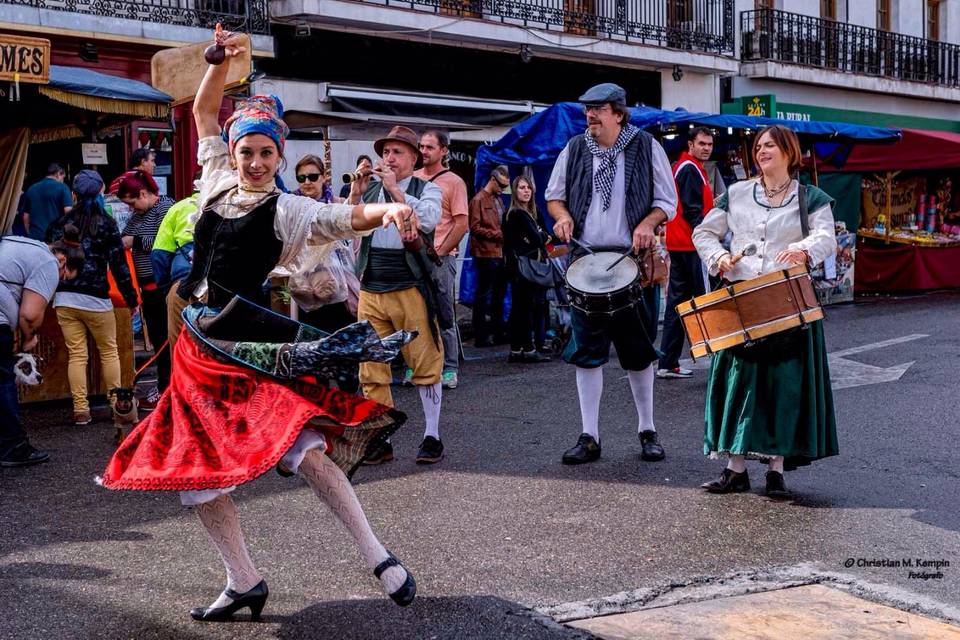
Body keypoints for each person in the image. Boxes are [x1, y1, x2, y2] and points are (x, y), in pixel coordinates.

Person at [99, 28, 420, 622]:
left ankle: (379, 557)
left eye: (265, 153)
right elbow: (200, 109)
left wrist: (391, 208)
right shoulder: (216, 177)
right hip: (196, 342)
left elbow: (345, 215)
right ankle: (242, 579)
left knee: (305, 450)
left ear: (278, 157)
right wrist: (216, 62)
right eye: (246, 150)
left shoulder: (290, 208)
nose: (253, 161)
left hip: (247, 346)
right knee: (197, 471)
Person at [692, 124, 839, 499]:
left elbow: (826, 236)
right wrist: (719, 256)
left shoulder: (811, 197)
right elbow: (703, 233)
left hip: (787, 301)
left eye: (770, 145)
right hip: (741, 299)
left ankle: (776, 468)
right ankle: (734, 469)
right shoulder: (736, 194)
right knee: (739, 384)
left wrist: (804, 249)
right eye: (758, 146)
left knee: (782, 386)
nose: (762, 151)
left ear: (789, 151)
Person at [545, 83, 677, 466]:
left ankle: (647, 429)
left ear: (618, 113)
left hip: (631, 263)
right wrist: (563, 216)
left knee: (638, 352)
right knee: (587, 353)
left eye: (598, 109)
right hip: (585, 264)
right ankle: (590, 436)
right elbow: (554, 196)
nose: (590, 116)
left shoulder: (646, 145)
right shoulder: (573, 148)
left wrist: (649, 223)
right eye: (587, 109)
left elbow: (665, 201)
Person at [347, 125, 446, 465]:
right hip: (371, 286)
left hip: (410, 285)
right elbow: (350, 226)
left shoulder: (427, 189)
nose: (388, 158)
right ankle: (381, 437)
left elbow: (429, 221)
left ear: (414, 158)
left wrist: (395, 191)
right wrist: (356, 195)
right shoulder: (373, 189)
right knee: (371, 366)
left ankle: (432, 435)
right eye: (385, 152)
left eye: (397, 152)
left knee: (424, 360)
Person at [46, 171, 140, 426]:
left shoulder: (58, 224)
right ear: (100, 192)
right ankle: (114, 406)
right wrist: (132, 300)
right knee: (109, 352)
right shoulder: (107, 225)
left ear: (73, 194)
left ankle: (81, 411)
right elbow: (120, 267)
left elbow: (47, 261)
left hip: (65, 298)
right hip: (97, 298)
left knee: (77, 355)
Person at [0, 230, 84, 467]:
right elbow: (30, 314)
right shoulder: (47, 263)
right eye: (65, 277)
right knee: (3, 381)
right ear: (63, 261)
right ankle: (12, 447)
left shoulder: (25, 245)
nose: (60, 282)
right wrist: (29, 338)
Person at [294, 154, 362, 393]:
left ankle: (348, 406)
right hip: (307, 297)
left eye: (313, 176)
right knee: (314, 358)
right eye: (301, 177)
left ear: (323, 178)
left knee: (345, 358)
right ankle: (321, 408)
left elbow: (353, 233)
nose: (307, 182)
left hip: (340, 293)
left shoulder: (336, 204)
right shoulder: (291, 208)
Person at [658, 126, 715, 380]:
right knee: (706, 300)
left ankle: (667, 362)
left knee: (677, 305)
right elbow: (693, 211)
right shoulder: (690, 169)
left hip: (679, 243)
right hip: (692, 245)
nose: (706, 148)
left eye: (709, 144)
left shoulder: (684, 166)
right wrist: (709, 239)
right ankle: (717, 358)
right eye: (702, 143)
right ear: (690, 145)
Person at [414, 130, 469, 389]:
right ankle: (420, 365)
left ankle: (450, 368)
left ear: (443, 150)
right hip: (414, 258)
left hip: (442, 258)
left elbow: (461, 223)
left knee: (445, 314)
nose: (424, 151)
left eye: (429, 147)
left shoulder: (454, 182)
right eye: (421, 147)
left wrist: (442, 250)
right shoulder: (412, 179)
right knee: (416, 314)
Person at [117, 170, 174, 400]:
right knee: (159, 341)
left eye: (132, 203)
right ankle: (163, 385)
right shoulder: (139, 215)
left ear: (143, 193)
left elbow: (167, 242)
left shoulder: (167, 208)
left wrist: (136, 241)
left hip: (163, 288)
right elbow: (124, 236)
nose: (132, 209)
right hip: (146, 291)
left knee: (167, 341)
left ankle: (168, 386)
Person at [503, 175, 551, 364]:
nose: (526, 191)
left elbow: (545, 235)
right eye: (522, 188)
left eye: (528, 188)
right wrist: (541, 235)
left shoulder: (529, 212)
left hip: (521, 266)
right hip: (523, 268)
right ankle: (528, 349)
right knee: (525, 309)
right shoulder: (516, 213)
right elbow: (540, 239)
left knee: (520, 308)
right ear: (515, 191)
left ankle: (517, 349)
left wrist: (541, 234)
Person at [150, 183, 200, 350]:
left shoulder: (178, 208)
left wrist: (167, 289)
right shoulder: (236, 205)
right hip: (225, 289)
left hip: (182, 285)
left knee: (181, 349)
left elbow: (159, 255)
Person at [469, 165, 510, 347]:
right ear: (492, 180)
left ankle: (498, 332)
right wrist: (498, 234)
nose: (502, 189)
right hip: (485, 253)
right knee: (484, 294)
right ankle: (481, 335)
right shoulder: (478, 199)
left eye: (504, 186)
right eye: (501, 185)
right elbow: (474, 228)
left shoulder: (498, 199)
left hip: (499, 252)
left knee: (498, 294)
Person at [22, 163, 73, 241]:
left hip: (35, 237)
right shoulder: (63, 188)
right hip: (55, 238)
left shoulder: (31, 188)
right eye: (63, 177)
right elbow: (68, 213)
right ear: (58, 174)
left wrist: (29, 234)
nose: (63, 180)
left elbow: (26, 216)